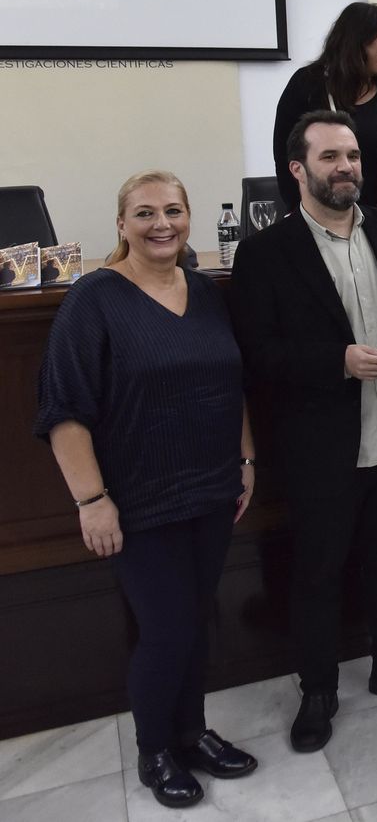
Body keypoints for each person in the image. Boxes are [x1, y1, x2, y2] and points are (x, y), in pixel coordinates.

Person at [232, 110, 377, 753]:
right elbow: (259, 355)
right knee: (318, 573)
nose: (346, 167)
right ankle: (318, 691)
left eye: (352, 155)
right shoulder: (266, 252)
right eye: (330, 157)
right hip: (324, 445)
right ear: (298, 169)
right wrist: (337, 361)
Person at [36, 171, 258, 808]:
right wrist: (91, 501)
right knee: (166, 630)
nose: (161, 224)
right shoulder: (94, 299)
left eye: (173, 211)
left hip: (212, 488)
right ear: (121, 224)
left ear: (188, 217)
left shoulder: (207, 291)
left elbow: (232, 382)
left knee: (197, 619)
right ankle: (155, 749)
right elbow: (63, 411)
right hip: (138, 499)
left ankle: (192, 732)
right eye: (145, 213)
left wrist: (245, 457)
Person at [273, 2, 377, 226]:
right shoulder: (307, 85)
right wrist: (300, 214)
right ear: (360, 39)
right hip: (320, 228)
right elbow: (286, 154)